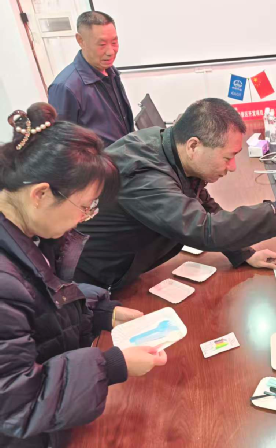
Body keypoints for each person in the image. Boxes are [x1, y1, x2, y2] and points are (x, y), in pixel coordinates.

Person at [0, 103, 166, 448]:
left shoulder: (28, 230)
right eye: (85, 207)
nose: (85, 217)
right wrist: (111, 366)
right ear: (40, 194)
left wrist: (100, 312)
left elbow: (45, 300)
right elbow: (17, 405)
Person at [74, 98, 276, 292]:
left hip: (127, 268)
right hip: (95, 283)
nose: (232, 167)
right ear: (193, 146)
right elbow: (203, 229)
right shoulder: (144, 173)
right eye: (227, 157)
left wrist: (243, 253)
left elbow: (200, 202)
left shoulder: (169, 146)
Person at [48, 11, 133, 146]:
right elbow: (62, 144)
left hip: (125, 153)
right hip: (101, 159)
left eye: (114, 42)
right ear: (80, 40)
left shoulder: (110, 71)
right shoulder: (65, 87)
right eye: (102, 44)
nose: (110, 51)